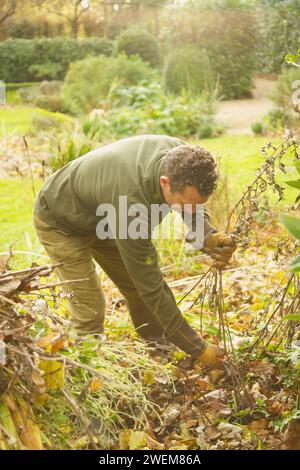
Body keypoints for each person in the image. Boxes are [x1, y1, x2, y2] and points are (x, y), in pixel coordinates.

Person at [33, 134, 236, 368]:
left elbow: (190, 207)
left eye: (197, 205)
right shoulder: (131, 204)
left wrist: (207, 236)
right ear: (165, 183)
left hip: (104, 216)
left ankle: (159, 351)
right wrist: (197, 349)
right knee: (90, 309)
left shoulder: (184, 158)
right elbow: (151, 287)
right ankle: (82, 373)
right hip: (61, 220)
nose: (190, 211)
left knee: (136, 291)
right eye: (185, 205)